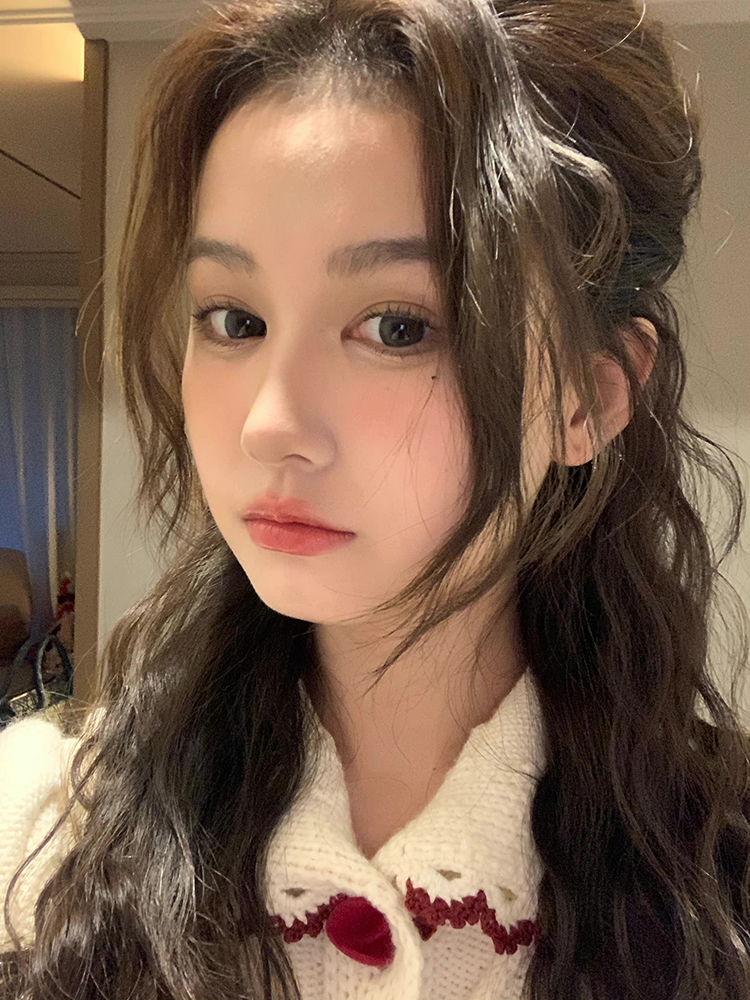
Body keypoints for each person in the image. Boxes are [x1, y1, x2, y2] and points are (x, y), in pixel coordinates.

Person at [1, 0, 748, 997]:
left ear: (591, 394)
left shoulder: (719, 883)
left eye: (398, 327)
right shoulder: (39, 837)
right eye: (233, 319)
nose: (269, 422)